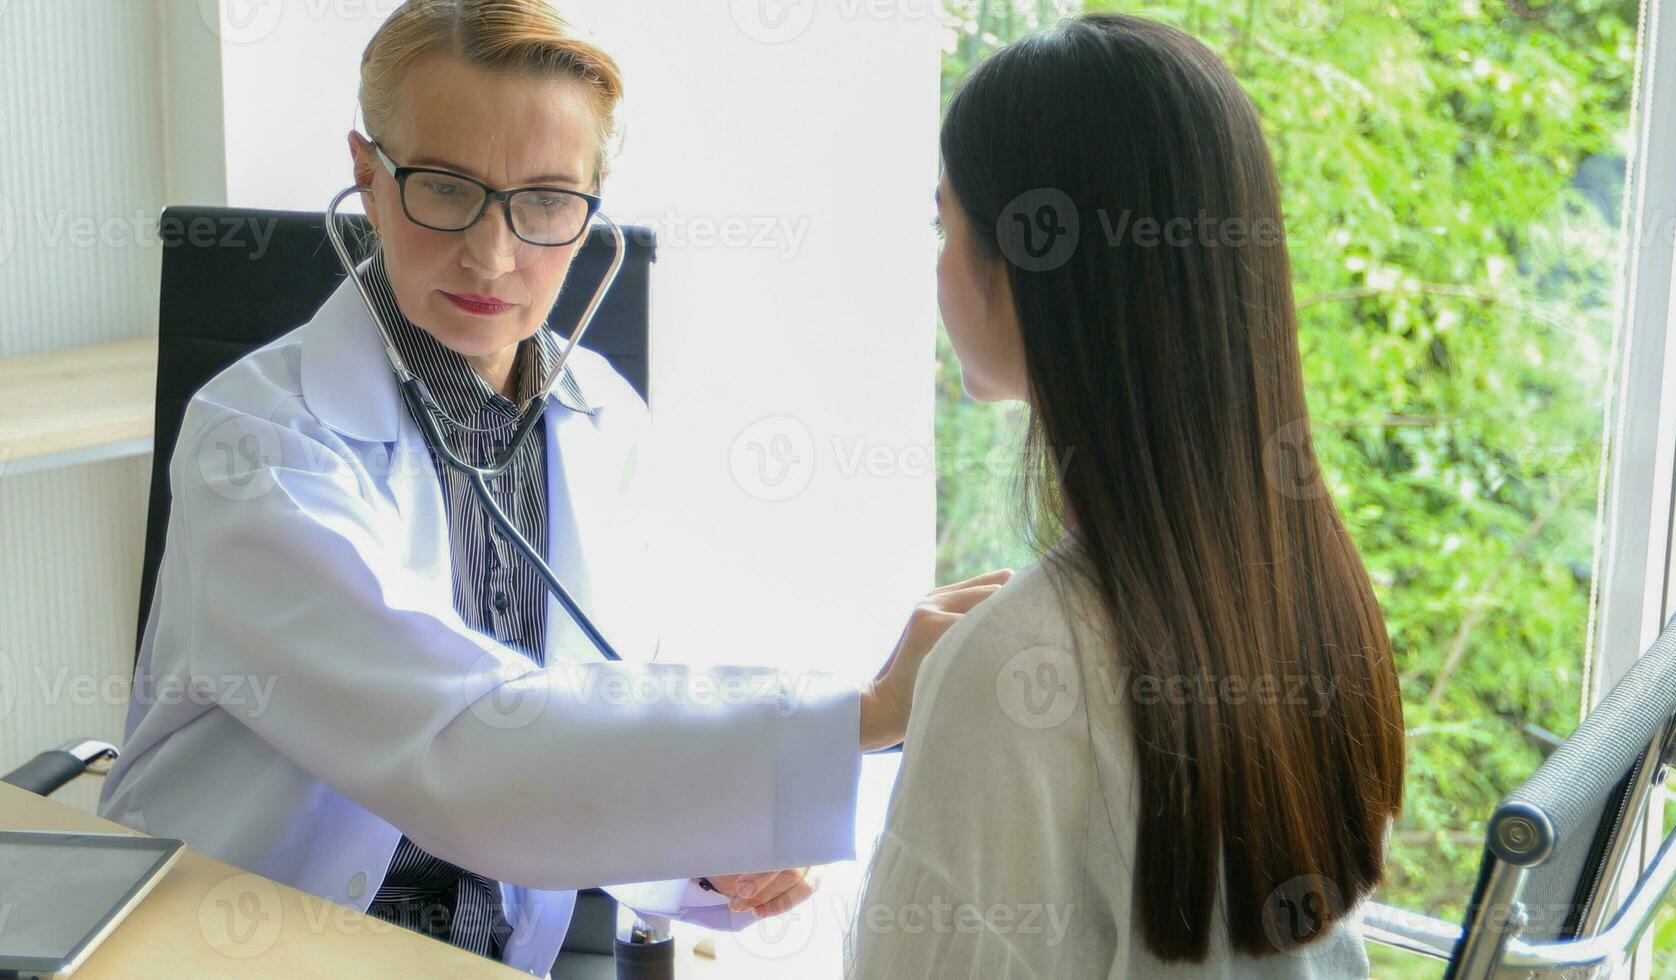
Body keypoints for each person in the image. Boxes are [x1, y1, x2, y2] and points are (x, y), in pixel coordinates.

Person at [98, 2, 1007, 974]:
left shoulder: (599, 415)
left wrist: (711, 839)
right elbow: (462, 742)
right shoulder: (257, 443)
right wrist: (855, 718)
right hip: (245, 945)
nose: (491, 255)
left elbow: (603, 695)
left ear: (590, 207)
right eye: (444, 189)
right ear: (367, 178)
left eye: (541, 201)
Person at [849, 14, 1406, 978]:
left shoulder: (1009, 675)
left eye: (946, 224)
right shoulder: (1312, 595)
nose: (936, 264)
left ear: (1024, 271)